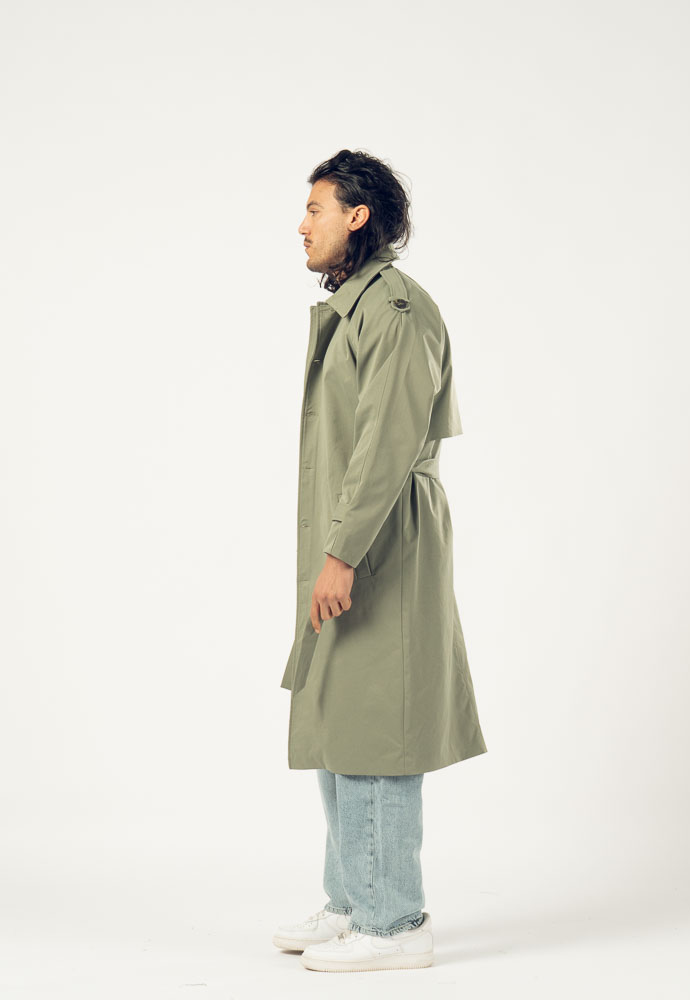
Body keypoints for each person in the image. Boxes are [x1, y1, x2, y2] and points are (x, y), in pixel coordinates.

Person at [273, 149, 488, 973]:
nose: (302, 225)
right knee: (341, 714)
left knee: (378, 726)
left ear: (356, 217)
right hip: (356, 539)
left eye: (316, 208)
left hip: (380, 542)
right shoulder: (357, 305)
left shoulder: (393, 308)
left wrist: (342, 552)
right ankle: (351, 902)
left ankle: (394, 923)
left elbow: (387, 445)